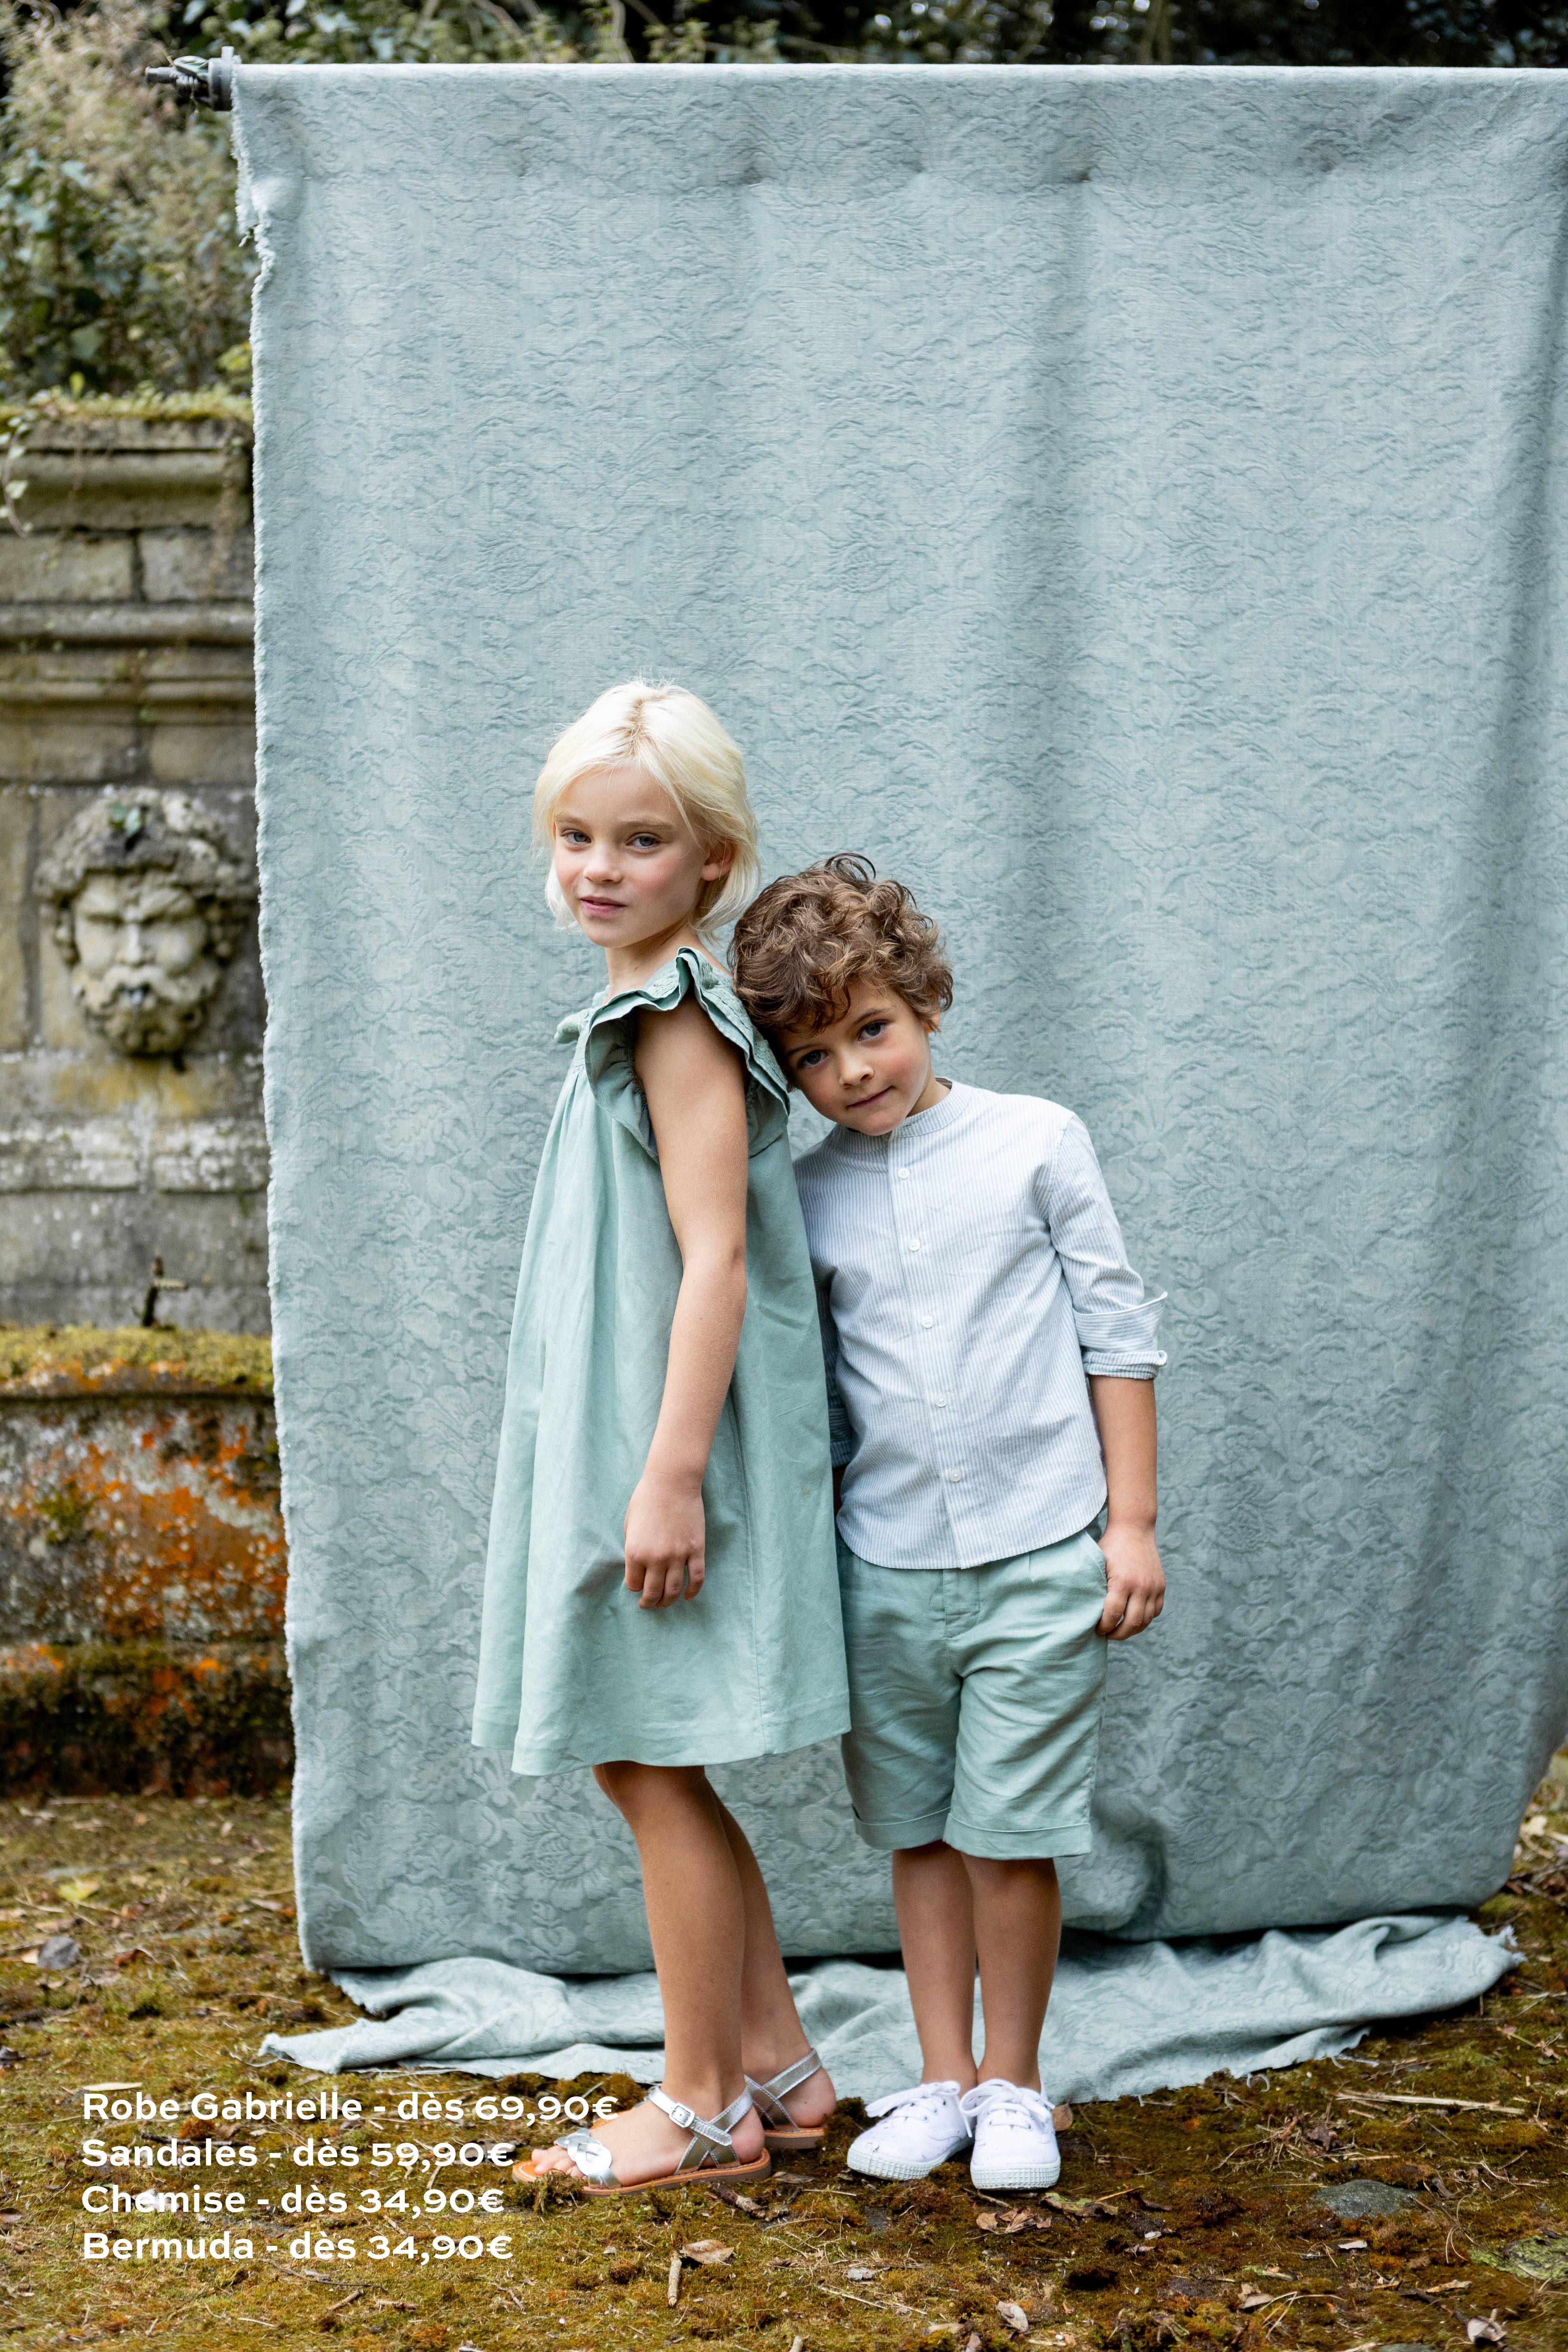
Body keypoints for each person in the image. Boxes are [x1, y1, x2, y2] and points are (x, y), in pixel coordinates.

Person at [730, 855, 1166, 2193]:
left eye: (872, 1029)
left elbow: (1117, 1332)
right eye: (813, 1057)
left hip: (1042, 1554)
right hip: (886, 1572)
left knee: (1008, 1837)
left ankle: (1016, 2084)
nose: (853, 1071)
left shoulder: (1037, 1141)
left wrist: (1132, 1524)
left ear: (924, 999)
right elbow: (809, 1390)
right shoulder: (808, 1195)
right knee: (920, 1834)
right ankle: (941, 2078)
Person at [472, 685, 848, 2195]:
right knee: (651, 1755)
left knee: (642, 1755)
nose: (599, 867)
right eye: (577, 836)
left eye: (642, 840)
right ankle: (782, 2066)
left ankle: (700, 2102)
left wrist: (673, 1473)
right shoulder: (639, 1011)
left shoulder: (676, 1019)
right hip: (634, 1430)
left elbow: (719, 1258)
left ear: (713, 863)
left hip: (664, 1442)